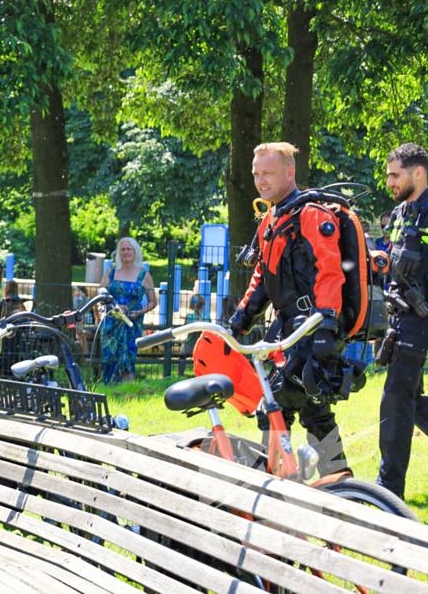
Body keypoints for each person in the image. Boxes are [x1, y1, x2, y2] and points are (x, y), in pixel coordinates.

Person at [229, 142, 349, 477]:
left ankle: (283, 483)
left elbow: (330, 271)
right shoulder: (272, 218)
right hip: (290, 332)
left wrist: (325, 326)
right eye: (256, 173)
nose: (260, 180)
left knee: (274, 406)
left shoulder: (311, 214)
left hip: (312, 329)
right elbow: (262, 278)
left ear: (290, 173)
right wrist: (237, 323)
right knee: (314, 413)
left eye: (268, 172)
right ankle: (339, 485)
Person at [376, 143, 428, 500]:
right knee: (403, 396)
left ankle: (388, 490)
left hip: (423, 313)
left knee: (398, 396)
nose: (390, 181)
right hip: (404, 317)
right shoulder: (398, 214)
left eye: (396, 174)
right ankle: (389, 488)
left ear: (418, 172)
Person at [98, 237, 156, 383]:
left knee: (128, 360)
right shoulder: (111, 271)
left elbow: (153, 301)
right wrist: (110, 304)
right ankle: (108, 388)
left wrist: (139, 312)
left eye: (129, 249)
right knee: (109, 357)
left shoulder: (143, 275)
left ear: (135, 251)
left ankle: (127, 390)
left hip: (131, 324)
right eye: (123, 249)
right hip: (111, 322)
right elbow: (101, 290)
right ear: (119, 252)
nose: (126, 252)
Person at [179, 294, 205, 377]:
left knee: (182, 355)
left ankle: (180, 375)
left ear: (191, 306)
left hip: (189, 346)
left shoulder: (189, 316)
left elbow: (183, 328)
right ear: (203, 306)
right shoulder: (207, 318)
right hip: (202, 347)